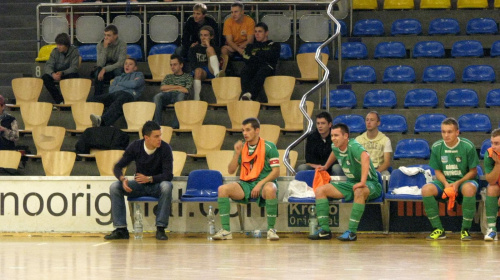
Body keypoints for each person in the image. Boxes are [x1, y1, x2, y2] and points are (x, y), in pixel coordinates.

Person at [309, 123, 382, 241]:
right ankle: (325, 230)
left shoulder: (353, 146)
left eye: (336, 135)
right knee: (320, 190)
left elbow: (366, 157)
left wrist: (362, 182)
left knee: (359, 191)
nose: (333, 138)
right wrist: (326, 166)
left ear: (346, 136)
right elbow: (334, 152)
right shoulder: (335, 146)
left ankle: (352, 232)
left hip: (371, 184)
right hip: (351, 183)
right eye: (332, 135)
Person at [212, 117, 280, 241]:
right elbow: (231, 170)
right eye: (243, 130)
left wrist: (260, 184)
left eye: (248, 130)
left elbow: (276, 172)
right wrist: (237, 153)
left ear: (257, 130)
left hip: (264, 183)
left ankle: (271, 229)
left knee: (271, 188)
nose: (245, 133)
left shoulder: (269, 146)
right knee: (222, 189)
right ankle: (226, 231)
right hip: (246, 184)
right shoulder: (242, 148)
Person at [104, 121, 173, 240]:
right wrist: (122, 179)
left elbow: (168, 175)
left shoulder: (165, 148)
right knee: (115, 187)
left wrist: (150, 179)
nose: (160, 139)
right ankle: (121, 229)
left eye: (160, 135)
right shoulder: (136, 146)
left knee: (167, 186)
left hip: (157, 185)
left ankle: (161, 229)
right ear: (146, 137)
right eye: (156, 136)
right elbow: (117, 167)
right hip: (139, 186)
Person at [422, 117, 479, 241]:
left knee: (469, 189)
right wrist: (446, 184)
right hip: (445, 182)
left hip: (464, 181)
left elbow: (473, 171)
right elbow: (437, 171)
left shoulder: (467, 146)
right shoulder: (437, 146)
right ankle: (438, 229)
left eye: (449, 131)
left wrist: (458, 183)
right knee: (426, 189)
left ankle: (465, 230)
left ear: (457, 132)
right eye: (443, 132)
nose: (446, 135)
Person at [90, 57, 145, 127]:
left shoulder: (139, 75)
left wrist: (120, 84)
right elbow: (111, 89)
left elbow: (134, 84)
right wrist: (127, 85)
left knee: (120, 99)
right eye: (126, 64)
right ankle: (94, 121)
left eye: (130, 64)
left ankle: (102, 121)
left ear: (135, 68)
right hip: (115, 94)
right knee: (92, 99)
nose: (127, 66)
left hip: (129, 95)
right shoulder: (118, 77)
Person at [239, 22, 280, 101]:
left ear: (266, 33)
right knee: (245, 70)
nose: (257, 34)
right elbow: (246, 58)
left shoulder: (274, 45)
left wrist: (256, 54)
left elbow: (272, 56)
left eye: (260, 31)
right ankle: (246, 95)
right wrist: (262, 56)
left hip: (268, 68)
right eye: (255, 31)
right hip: (254, 67)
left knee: (263, 70)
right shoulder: (250, 46)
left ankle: (249, 95)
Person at [153, 55, 193, 128]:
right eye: (171, 65)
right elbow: (162, 87)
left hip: (180, 95)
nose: (172, 67)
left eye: (175, 64)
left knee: (181, 95)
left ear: (181, 65)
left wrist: (170, 88)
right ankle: (157, 125)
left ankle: (175, 126)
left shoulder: (188, 77)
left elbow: (186, 90)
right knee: (157, 96)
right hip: (168, 95)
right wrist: (178, 87)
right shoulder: (168, 76)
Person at [41, 33, 80, 105]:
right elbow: (48, 65)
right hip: (56, 73)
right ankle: (59, 101)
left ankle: (68, 100)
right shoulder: (55, 51)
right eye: (57, 44)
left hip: (67, 73)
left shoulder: (74, 51)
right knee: (45, 77)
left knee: (74, 75)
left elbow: (74, 68)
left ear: (67, 45)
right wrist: (53, 74)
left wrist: (62, 72)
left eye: (60, 45)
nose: (58, 47)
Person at [188, 25, 222, 101]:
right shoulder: (194, 48)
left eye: (206, 35)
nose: (203, 38)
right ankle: (197, 99)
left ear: (211, 37)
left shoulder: (216, 48)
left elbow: (217, 60)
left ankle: (217, 74)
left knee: (210, 49)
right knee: (198, 71)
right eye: (201, 35)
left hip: (211, 69)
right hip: (200, 70)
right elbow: (193, 64)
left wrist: (208, 46)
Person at [93, 24, 127, 96]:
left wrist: (105, 69)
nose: (106, 38)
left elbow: (121, 63)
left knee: (119, 71)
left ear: (115, 36)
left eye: (108, 35)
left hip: (116, 67)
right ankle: (97, 98)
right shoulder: (100, 45)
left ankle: (119, 95)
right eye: (105, 35)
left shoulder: (122, 44)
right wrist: (105, 48)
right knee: (97, 72)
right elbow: (100, 64)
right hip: (104, 67)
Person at [355, 111, 392, 175]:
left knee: (386, 174)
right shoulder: (358, 140)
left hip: (378, 170)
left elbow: (387, 163)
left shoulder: (385, 140)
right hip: (362, 169)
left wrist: (375, 172)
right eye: (367, 120)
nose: (369, 122)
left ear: (378, 123)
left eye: (372, 120)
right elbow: (354, 159)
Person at [481, 129, 500, 241]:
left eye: (497, 144)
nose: (493, 146)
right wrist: (497, 163)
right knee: (491, 189)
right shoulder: (489, 154)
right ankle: (492, 229)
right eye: (492, 143)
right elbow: (491, 180)